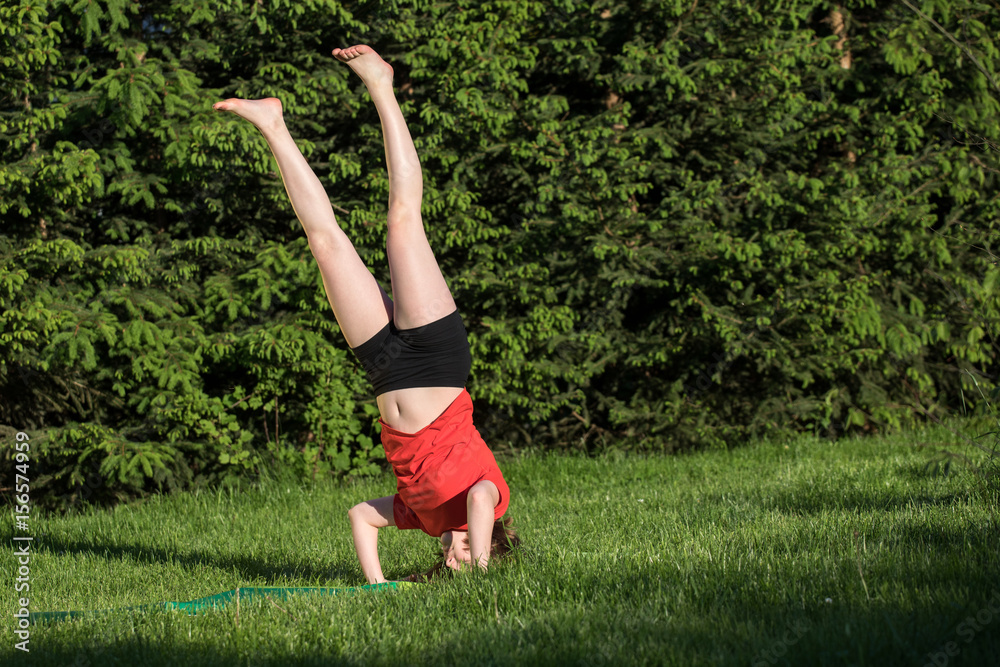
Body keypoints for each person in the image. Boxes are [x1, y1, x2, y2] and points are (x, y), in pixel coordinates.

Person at [213, 45, 518, 583]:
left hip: (384, 369)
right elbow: (476, 499)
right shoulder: (491, 500)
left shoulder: (422, 519)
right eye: (472, 554)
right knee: (402, 220)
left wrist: (377, 588)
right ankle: (380, 83)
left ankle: (273, 124)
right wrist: (482, 569)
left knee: (325, 243)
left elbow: (361, 515)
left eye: (457, 563)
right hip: (437, 362)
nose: (459, 556)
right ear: (489, 541)